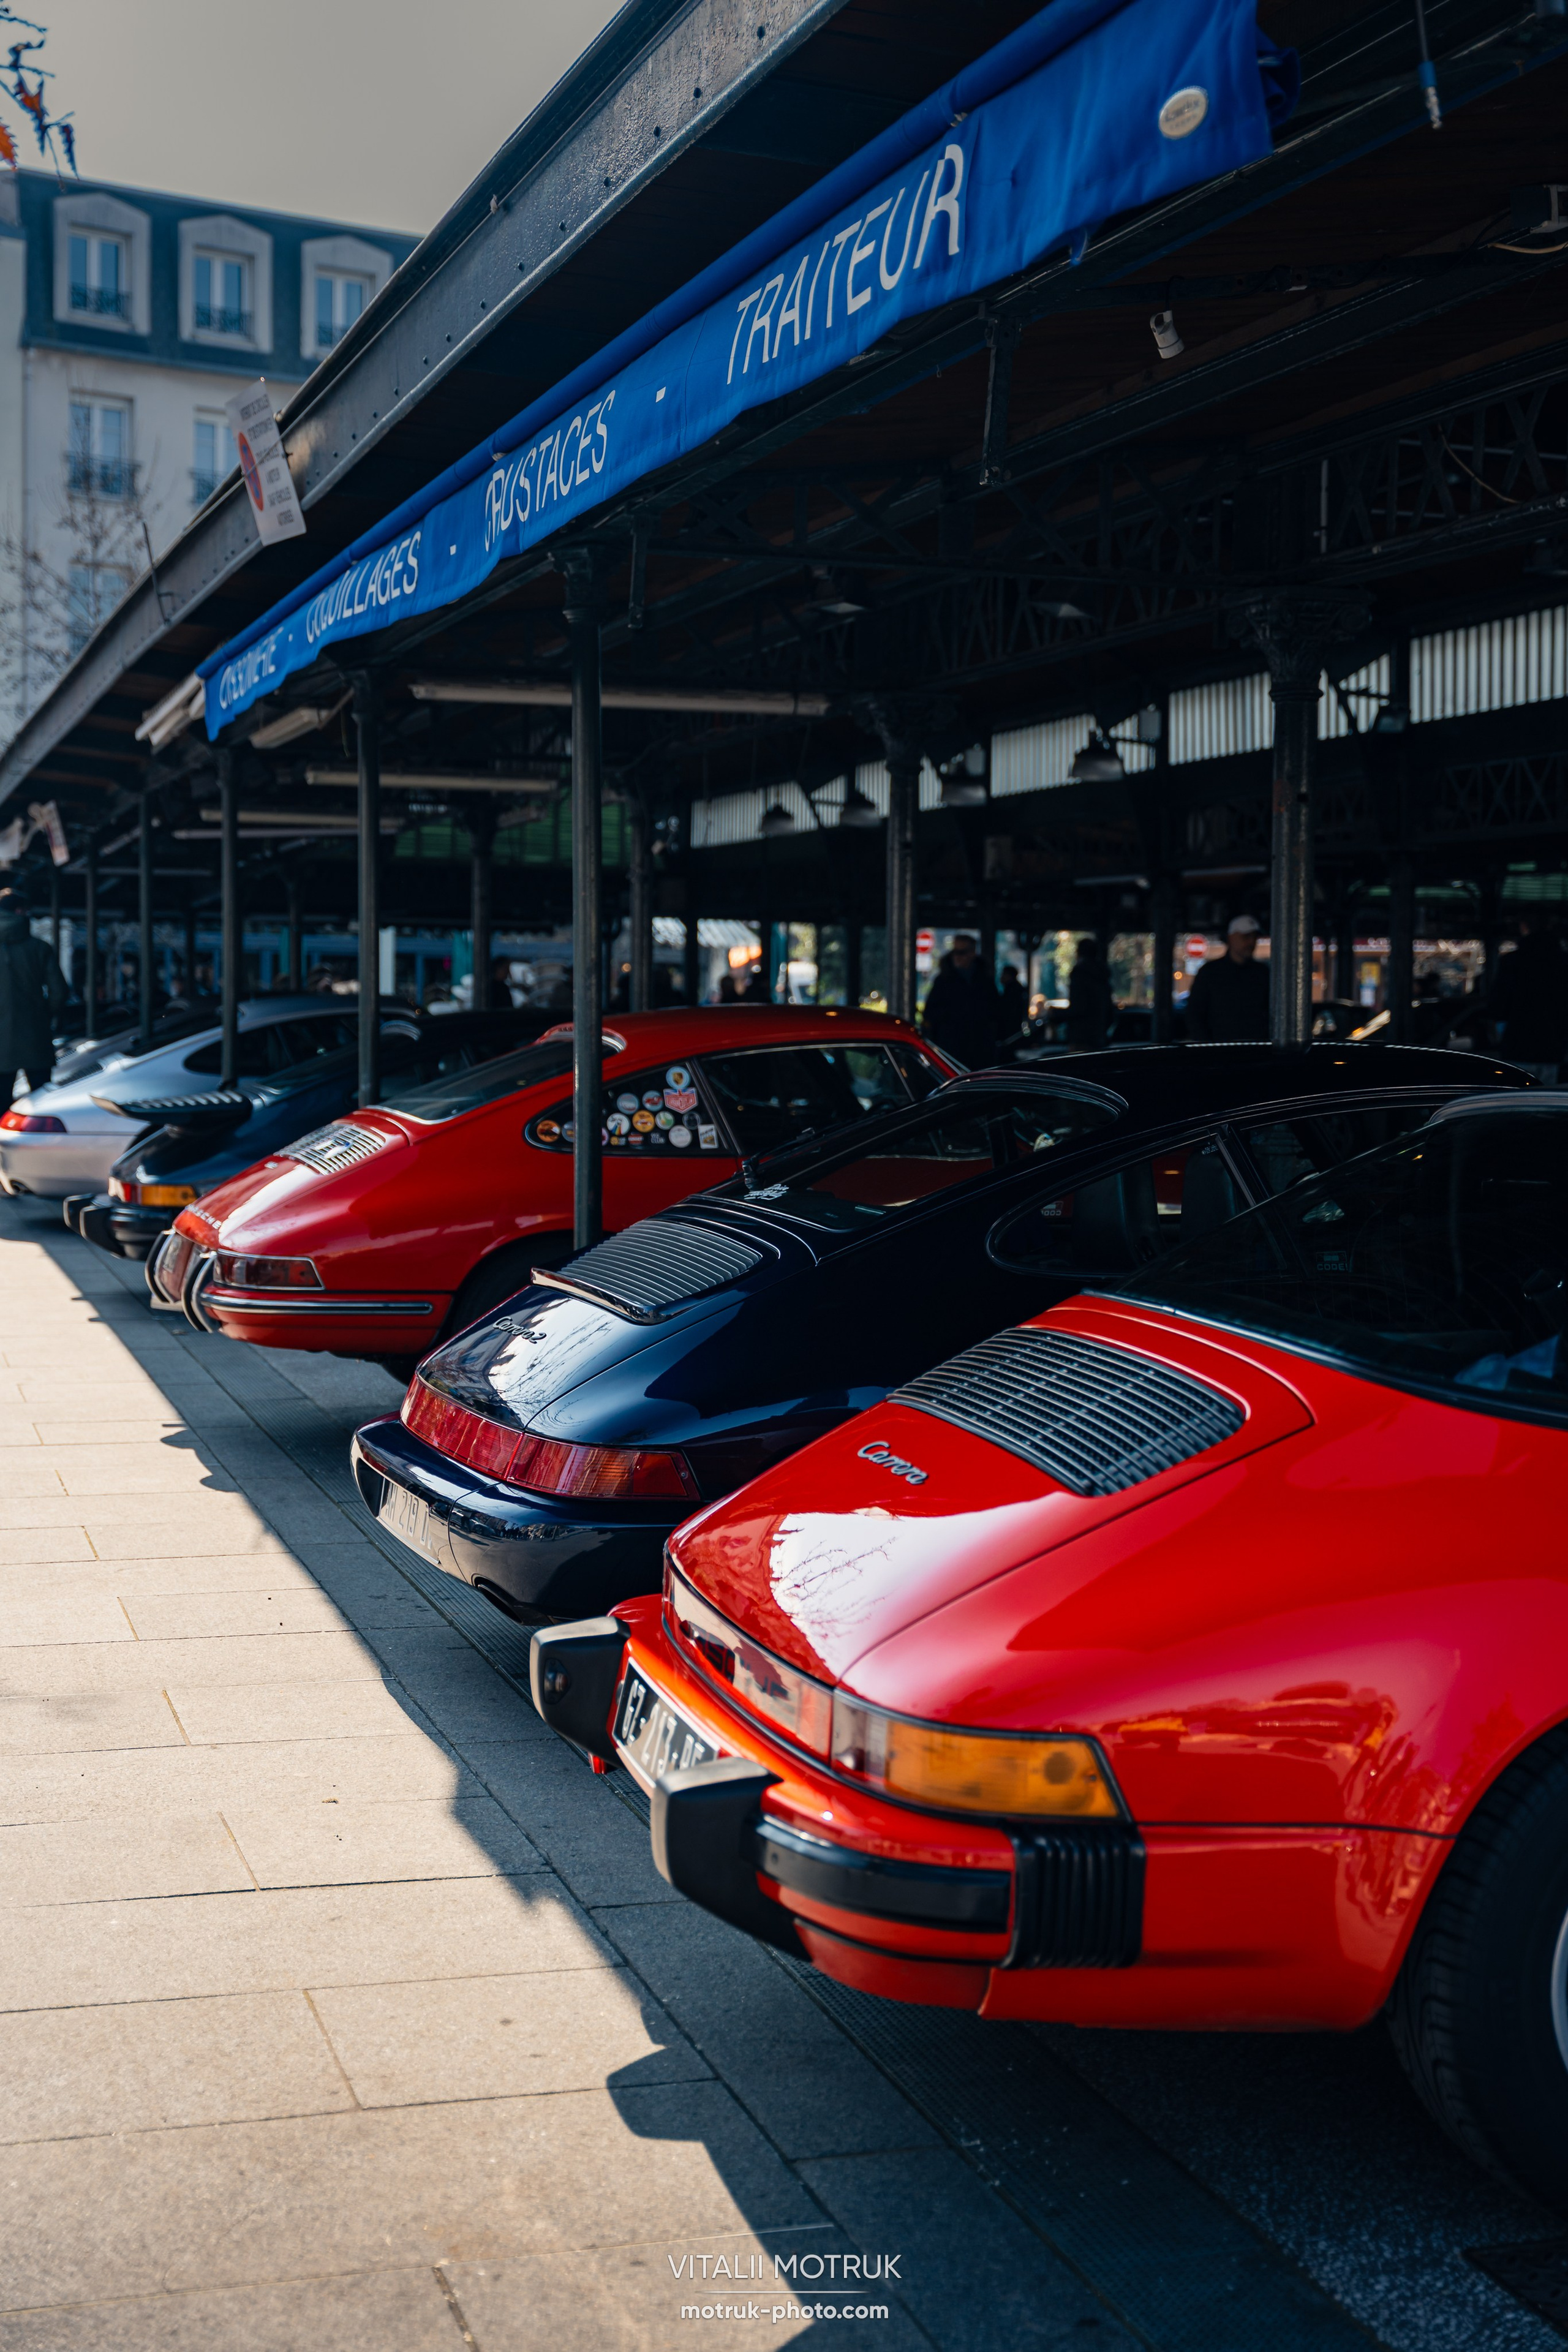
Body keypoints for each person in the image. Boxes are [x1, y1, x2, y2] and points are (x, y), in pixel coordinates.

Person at [0, 887, 67, 1106]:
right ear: (20, 912)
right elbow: (59, 992)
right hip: (35, 1035)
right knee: (42, 1102)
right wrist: (42, 1015)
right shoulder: (40, 948)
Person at [1487, 913, 1568, 1082]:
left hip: (1518, 1045)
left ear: (1524, 927)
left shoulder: (1512, 961)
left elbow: (1498, 1006)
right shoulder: (1562, 963)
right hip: (1552, 1048)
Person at [1183, 913, 1270, 1042]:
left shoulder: (1263, 973)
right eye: (1246, 937)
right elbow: (1195, 1014)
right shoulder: (1210, 973)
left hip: (1254, 1051)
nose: (1251, 942)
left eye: (1254, 937)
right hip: (1220, 1052)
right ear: (1231, 938)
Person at [921, 933, 1001, 1068]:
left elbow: (995, 1011)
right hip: (951, 1048)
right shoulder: (944, 981)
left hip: (978, 1048)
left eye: (962, 952)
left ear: (972, 953)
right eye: (955, 952)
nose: (957, 957)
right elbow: (931, 1013)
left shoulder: (984, 981)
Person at [1065, 935, 1112, 1052]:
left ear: (1079, 953)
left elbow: (1078, 1007)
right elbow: (1110, 1010)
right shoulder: (1102, 977)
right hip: (1098, 1037)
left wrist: (1056, 1014)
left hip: (1081, 1038)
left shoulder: (1080, 974)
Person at [997, 962, 1028, 1040]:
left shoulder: (1012, 991)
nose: (1001, 977)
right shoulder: (1017, 990)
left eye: (1003, 974)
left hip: (1010, 1028)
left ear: (1009, 976)